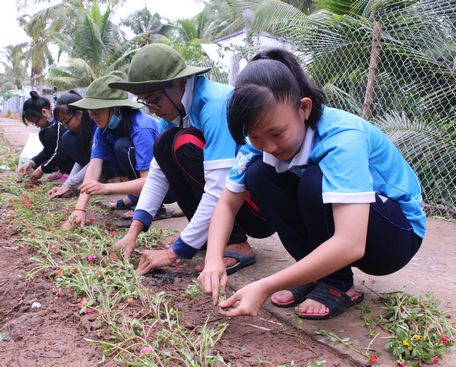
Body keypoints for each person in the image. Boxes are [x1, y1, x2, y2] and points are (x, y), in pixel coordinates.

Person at [198, 48, 426, 320]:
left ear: (304, 108)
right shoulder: (258, 143)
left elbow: (352, 243)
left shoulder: (342, 138)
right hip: (356, 225)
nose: (268, 146)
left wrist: (265, 285)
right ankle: (317, 276)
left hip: (395, 235)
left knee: (314, 181)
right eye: (256, 137)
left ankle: (337, 284)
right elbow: (226, 202)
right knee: (258, 174)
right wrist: (212, 259)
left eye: (276, 133)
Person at [111, 43, 273, 275]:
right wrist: (132, 233)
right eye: (145, 102)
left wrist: (173, 252)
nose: (152, 108)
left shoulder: (214, 105)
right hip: (230, 203)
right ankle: (211, 239)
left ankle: (236, 243)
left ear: (179, 83)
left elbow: (219, 187)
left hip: (258, 207)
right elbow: (157, 175)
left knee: (183, 143)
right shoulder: (176, 112)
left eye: (154, 99)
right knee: (165, 143)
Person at [61, 72, 161, 229]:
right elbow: (94, 167)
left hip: (165, 187)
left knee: (122, 146)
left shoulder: (141, 127)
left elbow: (151, 181)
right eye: (90, 110)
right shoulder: (103, 130)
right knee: (119, 146)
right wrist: (79, 209)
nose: (93, 115)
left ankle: (151, 206)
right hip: (146, 184)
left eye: (98, 109)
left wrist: (106, 188)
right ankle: (136, 199)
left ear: (116, 107)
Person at [47, 90, 96, 198]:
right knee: (67, 137)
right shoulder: (77, 132)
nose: (64, 126)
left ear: (79, 114)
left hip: (105, 166)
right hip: (92, 167)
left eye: (65, 121)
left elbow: (95, 161)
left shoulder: (96, 129)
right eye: (62, 122)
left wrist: (69, 184)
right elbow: (81, 161)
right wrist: (67, 185)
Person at [17, 91, 74, 181]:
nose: (36, 125)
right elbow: (49, 150)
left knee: (54, 136)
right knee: (43, 134)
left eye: (36, 122)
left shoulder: (61, 120)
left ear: (44, 112)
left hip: (80, 156)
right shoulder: (48, 128)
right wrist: (32, 162)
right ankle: (63, 170)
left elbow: (61, 151)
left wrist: (42, 169)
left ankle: (69, 172)